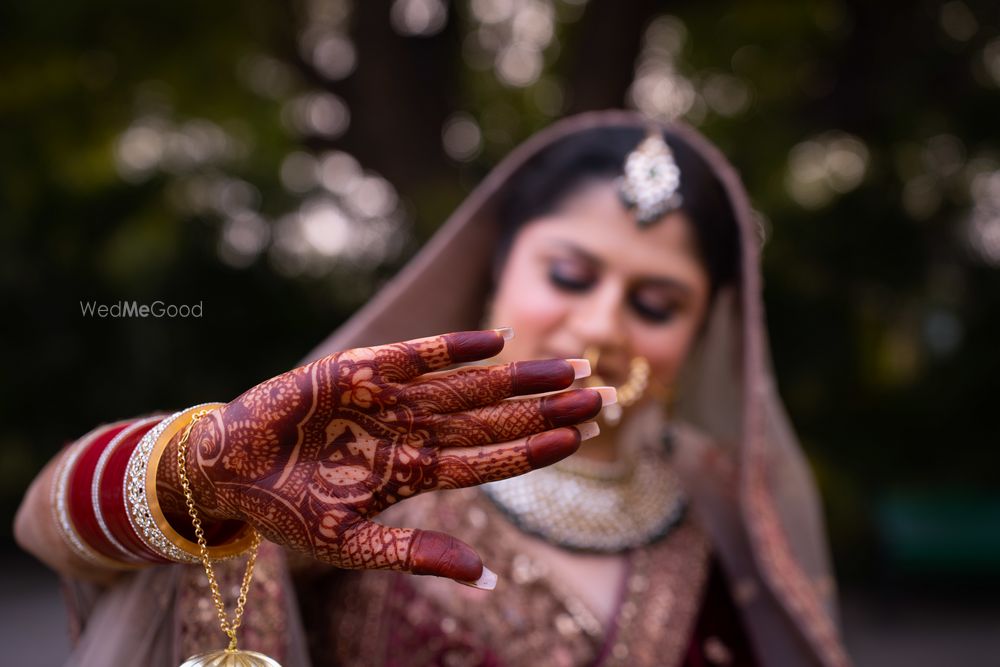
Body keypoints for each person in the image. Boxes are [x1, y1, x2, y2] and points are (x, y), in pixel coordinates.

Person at [15, 110, 850, 667]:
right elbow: (43, 522)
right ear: (492, 277)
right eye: (567, 274)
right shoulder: (369, 469)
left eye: (656, 303)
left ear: (700, 333)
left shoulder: (729, 525)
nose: (603, 323)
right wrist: (190, 476)